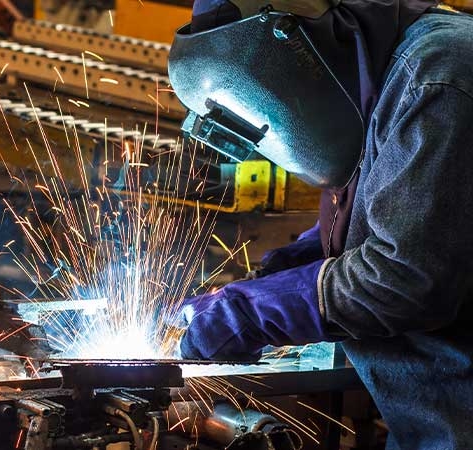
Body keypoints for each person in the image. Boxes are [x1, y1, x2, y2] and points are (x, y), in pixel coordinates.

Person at [168, 1, 473, 448]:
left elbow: (407, 278)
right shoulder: (382, 76)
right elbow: (410, 212)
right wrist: (295, 264)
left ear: (299, 40)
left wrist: (255, 311)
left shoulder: (439, 77)